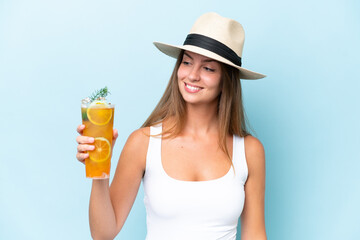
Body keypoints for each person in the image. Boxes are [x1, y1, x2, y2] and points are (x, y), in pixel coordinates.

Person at [76, 12, 267, 240]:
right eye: (187, 62)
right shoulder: (143, 142)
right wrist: (100, 168)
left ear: (226, 80)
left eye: (208, 68)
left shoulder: (249, 150)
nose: (192, 75)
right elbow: (103, 234)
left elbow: (255, 234)